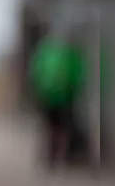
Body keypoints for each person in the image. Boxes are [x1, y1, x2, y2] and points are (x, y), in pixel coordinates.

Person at [28, 34, 86, 169]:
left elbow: (35, 73)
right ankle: (59, 156)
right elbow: (78, 76)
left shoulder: (45, 53)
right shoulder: (71, 54)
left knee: (50, 127)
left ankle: (51, 155)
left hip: (47, 96)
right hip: (64, 97)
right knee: (61, 128)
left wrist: (37, 91)